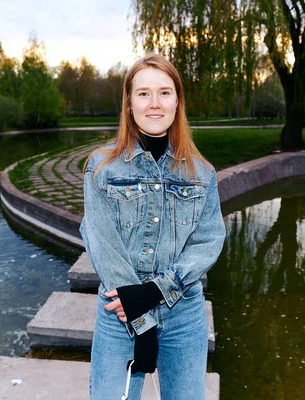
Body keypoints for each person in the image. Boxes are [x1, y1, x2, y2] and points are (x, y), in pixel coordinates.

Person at [80, 53, 226, 400]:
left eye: (165, 92)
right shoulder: (101, 169)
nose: (154, 103)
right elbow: (101, 241)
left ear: (177, 102)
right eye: (143, 93)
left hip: (183, 314)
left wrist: (155, 292)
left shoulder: (202, 174)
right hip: (119, 312)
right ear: (129, 104)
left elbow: (208, 240)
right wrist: (141, 322)